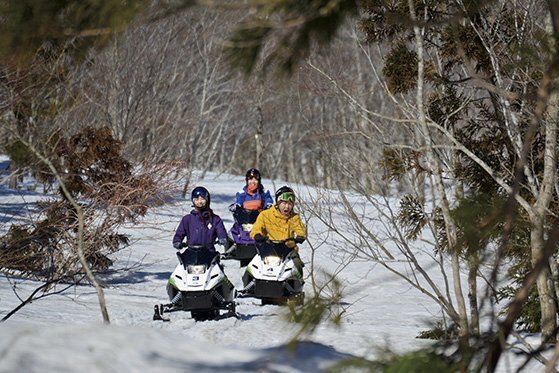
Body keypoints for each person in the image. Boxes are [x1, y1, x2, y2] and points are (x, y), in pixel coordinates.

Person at [250, 186, 307, 251]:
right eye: (284, 203)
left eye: (290, 204)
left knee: (297, 261)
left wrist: (298, 239)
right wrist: (257, 235)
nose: (287, 207)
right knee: (254, 261)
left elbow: (301, 230)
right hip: (268, 250)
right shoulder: (265, 215)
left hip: (288, 251)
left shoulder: (294, 218)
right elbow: (256, 228)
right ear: (278, 203)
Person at [172, 186, 228, 252]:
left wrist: (222, 238)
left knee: (215, 261)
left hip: (209, 252)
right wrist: (177, 241)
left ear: (207, 200)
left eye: (202, 199)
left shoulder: (215, 219)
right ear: (193, 201)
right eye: (196, 199)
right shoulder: (187, 219)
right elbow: (180, 233)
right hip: (191, 252)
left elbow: (221, 231)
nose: (200, 202)